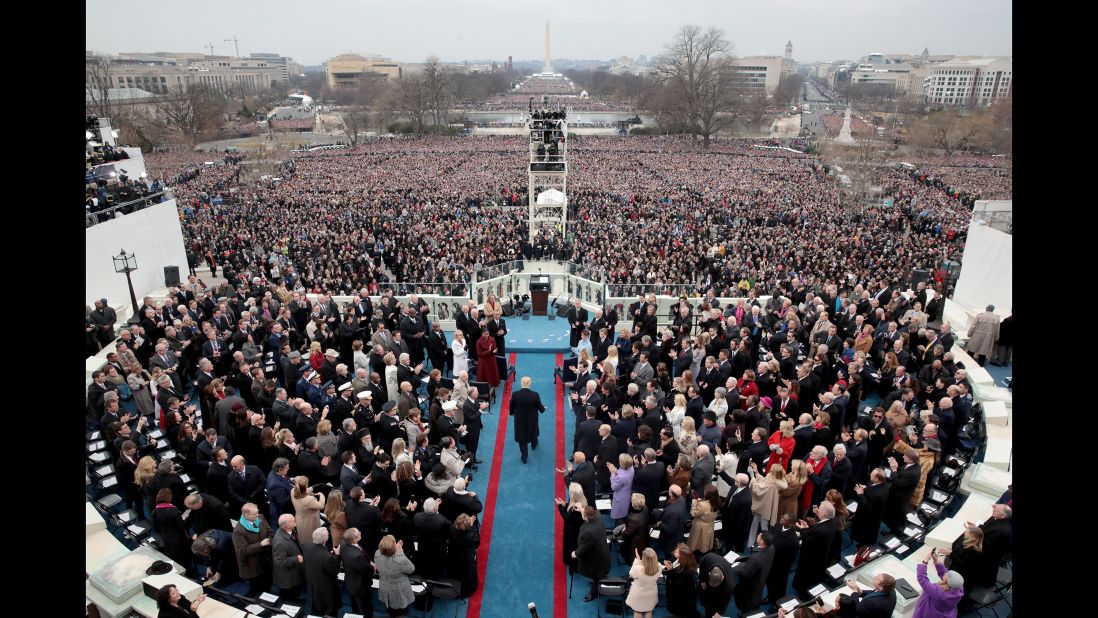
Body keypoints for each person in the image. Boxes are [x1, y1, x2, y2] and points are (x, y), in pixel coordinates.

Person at [792, 501, 837, 599]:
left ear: (823, 514)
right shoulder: (831, 522)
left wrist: (803, 529)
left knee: (805, 580)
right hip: (821, 557)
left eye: (819, 509)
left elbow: (808, 542)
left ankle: (803, 596)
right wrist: (808, 528)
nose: (817, 510)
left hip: (811, 559)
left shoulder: (821, 530)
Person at [232, 502, 274, 597]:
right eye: (255, 514)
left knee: (268, 584)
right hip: (252, 565)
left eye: (257, 512)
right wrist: (260, 545)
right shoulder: (238, 530)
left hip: (265, 560)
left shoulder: (261, 518)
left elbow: (270, 532)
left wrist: (270, 541)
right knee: (258, 588)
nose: (257, 515)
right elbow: (242, 551)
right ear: (246, 515)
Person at [151, 488, 192, 574]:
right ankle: (188, 572)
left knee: (174, 557)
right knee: (184, 557)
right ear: (169, 497)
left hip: (166, 538)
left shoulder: (154, 511)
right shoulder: (173, 510)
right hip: (179, 538)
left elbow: (156, 528)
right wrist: (186, 520)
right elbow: (181, 526)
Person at [913, 548, 965, 618]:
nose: (945, 573)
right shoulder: (959, 589)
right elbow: (945, 573)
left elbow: (922, 579)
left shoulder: (938, 592)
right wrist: (936, 561)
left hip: (928, 613)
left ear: (946, 582)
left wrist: (925, 562)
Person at [303, 528, 342, 618]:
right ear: (325, 540)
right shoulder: (327, 557)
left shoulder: (306, 546)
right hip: (326, 591)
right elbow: (334, 571)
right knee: (330, 613)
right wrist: (337, 556)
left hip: (313, 585)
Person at [574, 505, 611, 602]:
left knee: (596, 574)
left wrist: (575, 553)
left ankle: (594, 592)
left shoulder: (590, 532)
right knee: (597, 575)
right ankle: (596, 584)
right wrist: (582, 509)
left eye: (583, 513)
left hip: (596, 558)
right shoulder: (597, 515)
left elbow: (584, 547)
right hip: (601, 551)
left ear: (586, 517)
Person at [732, 530, 775, 613]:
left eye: (759, 535)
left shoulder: (755, 559)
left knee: (747, 604)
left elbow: (745, 574)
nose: (757, 535)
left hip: (750, 587)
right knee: (756, 598)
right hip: (761, 580)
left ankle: (746, 613)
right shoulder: (771, 547)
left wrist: (738, 567)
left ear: (762, 541)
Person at [375, 533, 417, 617]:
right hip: (398, 591)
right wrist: (400, 552)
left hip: (385, 586)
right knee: (399, 612)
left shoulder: (377, 553)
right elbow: (411, 569)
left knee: (389, 609)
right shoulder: (399, 559)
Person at [851, 469, 890, 550]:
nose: (869, 475)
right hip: (873, 515)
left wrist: (861, 494)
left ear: (876, 479)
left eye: (871, 474)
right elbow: (872, 487)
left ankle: (863, 547)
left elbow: (868, 507)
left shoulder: (878, 494)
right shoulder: (883, 483)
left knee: (865, 534)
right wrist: (866, 487)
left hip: (869, 518)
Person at [510, 376, 545, 463]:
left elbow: (511, 407)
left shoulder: (515, 394)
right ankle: (534, 444)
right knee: (533, 431)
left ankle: (524, 457)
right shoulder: (535, 395)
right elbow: (540, 408)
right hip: (532, 418)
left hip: (519, 420)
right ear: (530, 384)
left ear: (521, 383)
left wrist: (511, 413)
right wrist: (543, 408)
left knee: (522, 437)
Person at [272, 513, 306, 602]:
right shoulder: (280, 542)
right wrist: (296, 559)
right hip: (287, 577)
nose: (295, 520)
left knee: (295, 593)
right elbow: (280, 562)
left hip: (294, 572)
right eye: (293, 520)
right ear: (286, 525)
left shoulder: (292, 530)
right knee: (289, 598)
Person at [663, 544, 700, 618]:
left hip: (682, 603)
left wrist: (670, 570)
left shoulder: (687, 573)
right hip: (681, 600)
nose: (674, 553)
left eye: (677, 552)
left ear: (683, 557)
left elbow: (674, 584)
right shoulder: (681, 561)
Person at [449, 513, 481, 597]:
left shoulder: (451, 530)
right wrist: (471, 526)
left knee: (456, 570)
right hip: (467, 558)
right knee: (469, 572)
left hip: (454, 555)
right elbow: (477, 543)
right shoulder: (472, 533)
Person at [697, 551, 735, 618]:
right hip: (706, 583)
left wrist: (719, 613)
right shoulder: (708, 557)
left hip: (721, 591)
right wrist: (702, 579)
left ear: (722, 578)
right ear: (709, 574)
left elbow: (725, 601)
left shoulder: (730, 584)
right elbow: (702, 565)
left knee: (714, 606)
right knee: (705, 600)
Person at [625, 547, 661, 618]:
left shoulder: (638, 568)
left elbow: (631, 574)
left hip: (639, 595)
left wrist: (637, 561)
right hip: (651, 594)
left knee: (638, 611)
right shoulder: (659, 567)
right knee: (649, 611)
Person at [687, 485, 720, 554]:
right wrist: (698, 499)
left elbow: (693, 513)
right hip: (710, 525)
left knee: (696, 543)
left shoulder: (703, 505)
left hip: (700, 527)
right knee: (705, 543)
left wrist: (694, 500)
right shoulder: (717, 501)